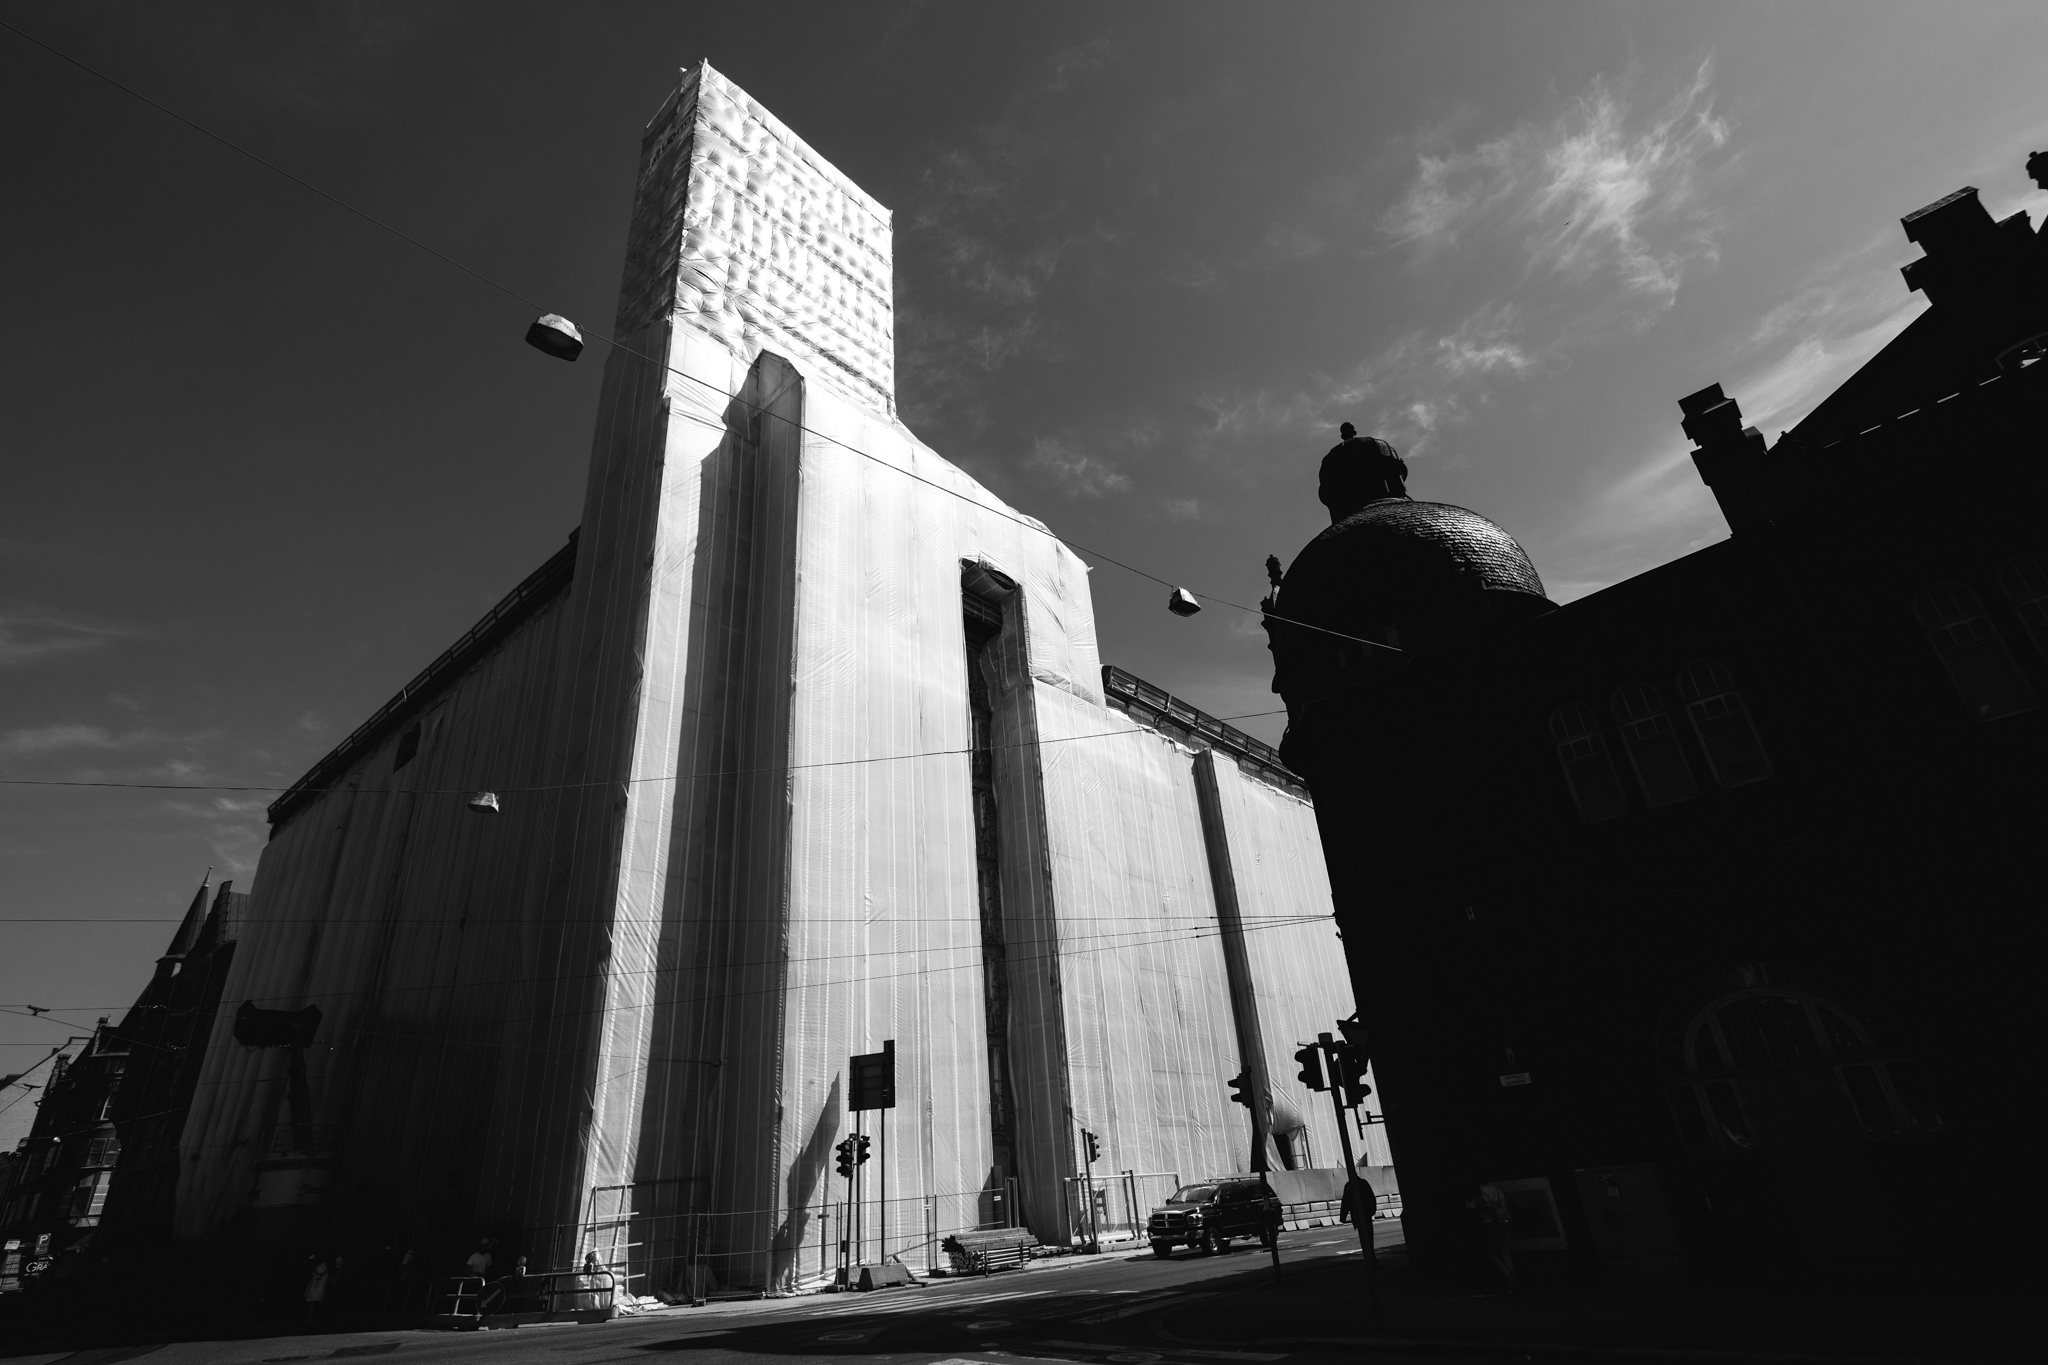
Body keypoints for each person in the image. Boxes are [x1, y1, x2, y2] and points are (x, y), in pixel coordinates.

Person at [303, 1253, 330, 1325]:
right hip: (314, 1287)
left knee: (313, 1303)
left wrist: (314, 1265)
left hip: (317, 1287)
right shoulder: (318, 1265)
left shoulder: (323, 1265)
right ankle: (309, 1318)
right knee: (310, 1303)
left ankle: (310, 1318)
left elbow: (321, 1272)